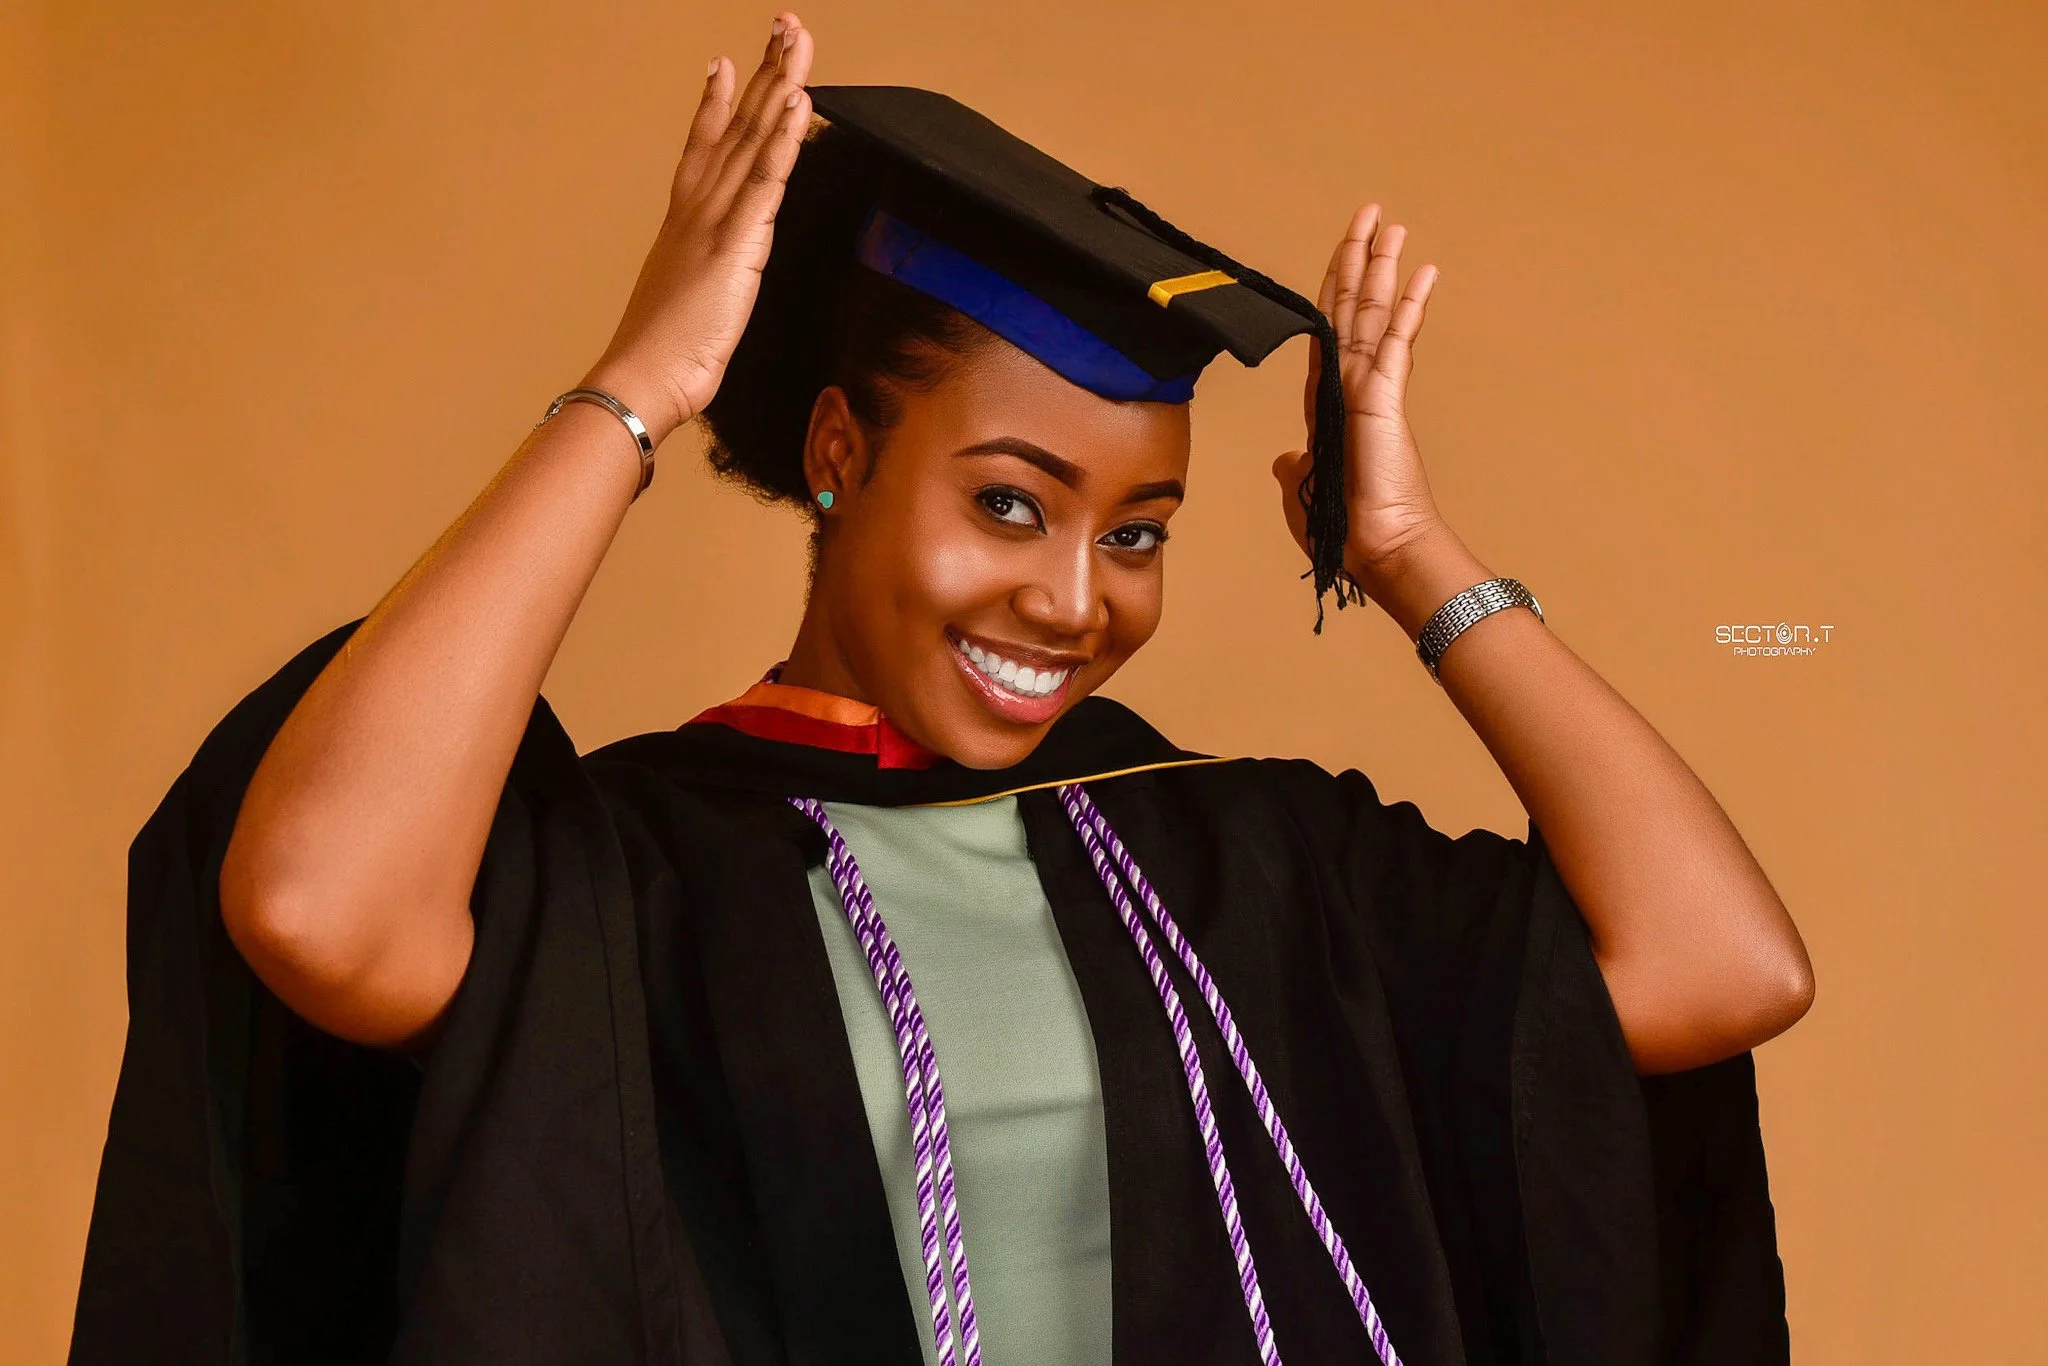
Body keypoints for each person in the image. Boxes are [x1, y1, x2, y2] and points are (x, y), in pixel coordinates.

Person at [71, 13, 1813, 1366]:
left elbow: (1722, 965)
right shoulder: (631, 878)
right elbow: (315, 907)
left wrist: (1419, 553)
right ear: (841, 449)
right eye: (1009, 502)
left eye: (1139, 531)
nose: (1073, 598)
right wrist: (639, 386)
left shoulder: (1251, 860)